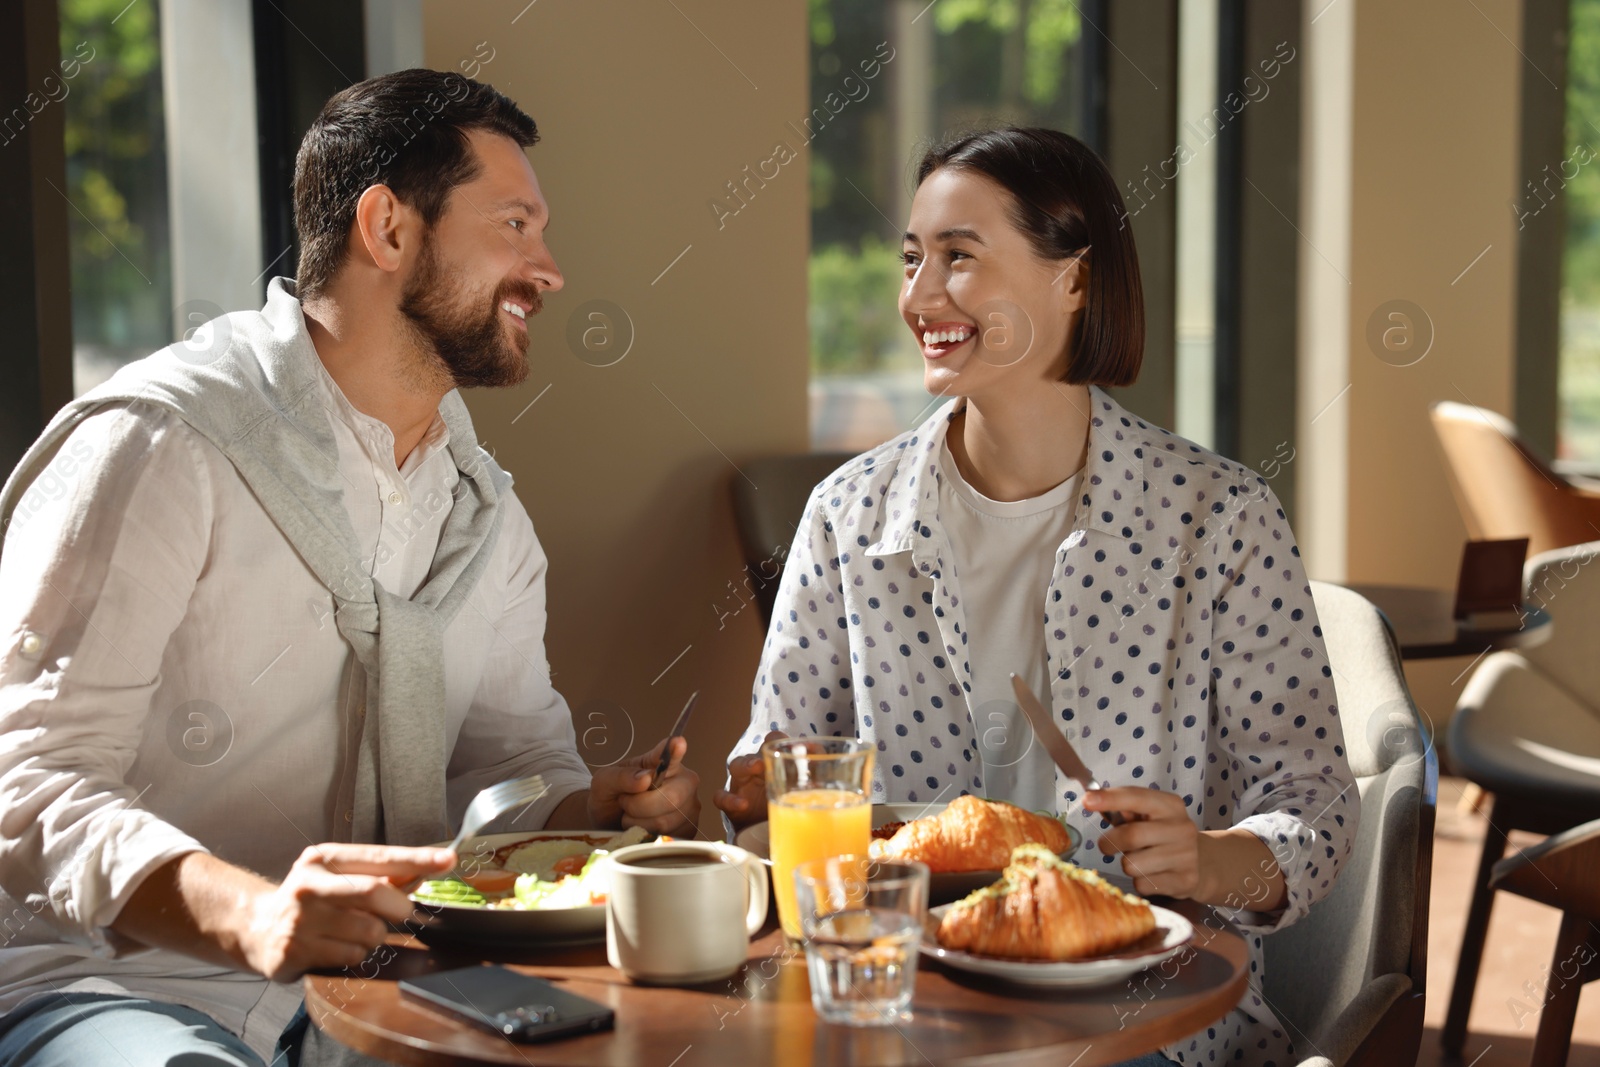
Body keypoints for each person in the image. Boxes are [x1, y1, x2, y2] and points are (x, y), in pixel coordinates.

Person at [0, 69, 700, 1067]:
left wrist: (591, 807)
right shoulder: (161, 443)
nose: (548, 270)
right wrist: (248, 914)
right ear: (388, 229)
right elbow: (27, 782)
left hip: (380, 988)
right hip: (109, 986)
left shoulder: (483, 514)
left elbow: (504, 765)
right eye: (512, 225)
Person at [716, 127, 1358, 1067]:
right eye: (912, 260)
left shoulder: (1217, 519)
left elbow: (1316, 801)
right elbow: (778, 768)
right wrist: (748, 793)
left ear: (1076, 279)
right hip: (899, 1008)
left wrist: (1210, 857)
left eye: (960, 258)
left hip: (1140, 1020)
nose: (920, 296)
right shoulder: (846, 517)